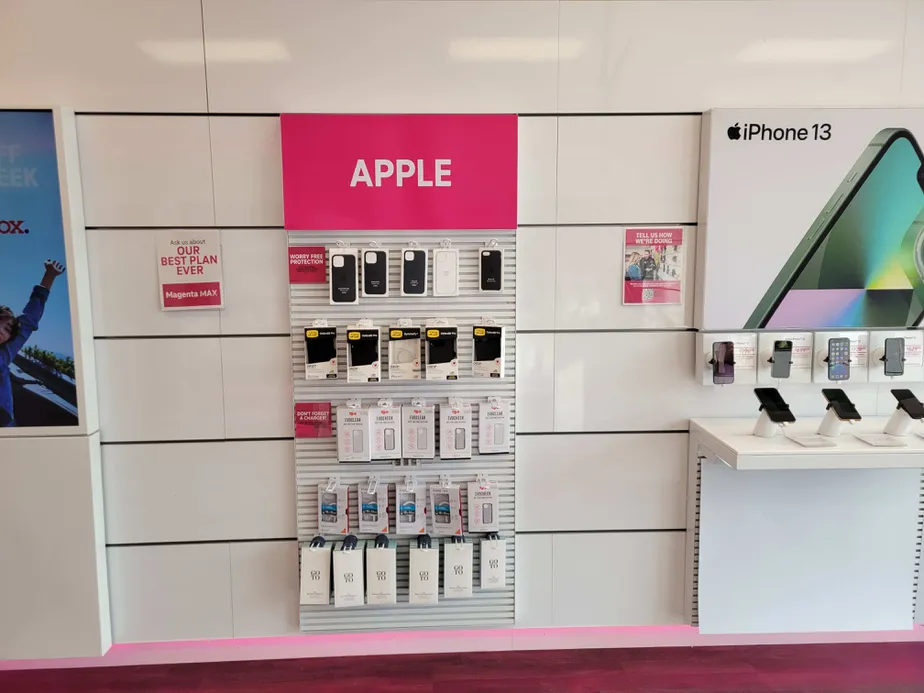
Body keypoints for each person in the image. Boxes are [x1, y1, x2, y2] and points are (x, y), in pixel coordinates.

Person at [0, 260, 66, 427]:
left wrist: (49, 276)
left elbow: (30, 318)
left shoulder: (5, 352)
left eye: (8, 330)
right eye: (1, 323)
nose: (2, 331)